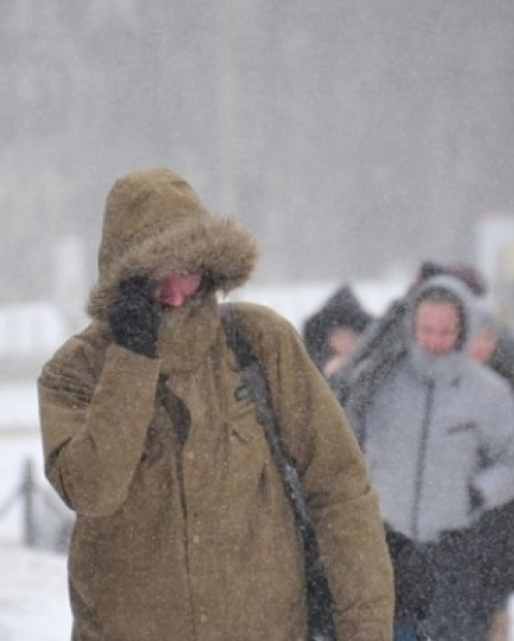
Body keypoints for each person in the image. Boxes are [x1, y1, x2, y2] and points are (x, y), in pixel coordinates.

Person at [37, 168, 394, 640]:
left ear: (209, 267)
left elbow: (341, 490)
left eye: (185, 272)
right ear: (124, 282)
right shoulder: (75, 372)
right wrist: (131, 361)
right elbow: (92, 490)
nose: (175, 294)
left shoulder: (260, 344)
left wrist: (364, 631)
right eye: (153, 279)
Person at [348, 274, 514, 641]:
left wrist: (477, 493)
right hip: (388, 550)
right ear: (412, 326)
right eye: (426, 329)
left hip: (454, 553)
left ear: (464, 329)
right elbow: (346, 436)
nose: (434, 340)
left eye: (445, 331)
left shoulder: (488, 393)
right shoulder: (381, 381)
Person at [302, 284, 436, 641]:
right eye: (337, 336)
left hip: (381, 523)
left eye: (352, 336)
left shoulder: (377, 387)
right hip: (334, 530)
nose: (344, 344)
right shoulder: (302, 390)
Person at [469, 304, 514, 641]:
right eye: (474, 336)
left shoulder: (511, 384)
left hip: (502, 517)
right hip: (460, 520)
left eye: (487, 337)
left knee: (496, 604)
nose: (480, 345)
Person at [302, 284, 373, 376]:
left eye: (351, 338)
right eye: (340, 337)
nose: (345, 343)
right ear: (327, 340)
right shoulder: (310, 367)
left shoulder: (373, 365)